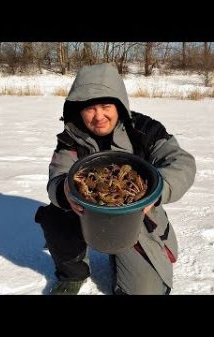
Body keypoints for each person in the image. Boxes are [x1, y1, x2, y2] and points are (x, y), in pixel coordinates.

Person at [35, 63, 196, 295]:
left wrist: (157, 192)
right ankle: (73, 273)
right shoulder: (71, 138)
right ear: (78, 110)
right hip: (87, 214)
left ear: (119, 103)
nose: (99, 116)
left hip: (135, 219)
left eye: (105, 105)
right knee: (56, 215)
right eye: (90, 108)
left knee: (144, 291)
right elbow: (58, 175)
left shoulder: (144, 129)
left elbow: (181, 162)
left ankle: (125, 260)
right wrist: (66, 192)